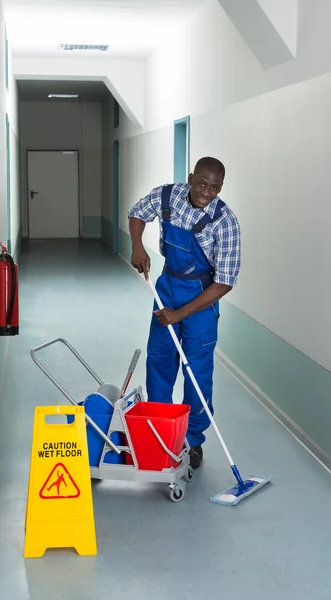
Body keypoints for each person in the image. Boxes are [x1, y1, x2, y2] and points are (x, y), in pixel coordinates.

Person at [128, 157, 241, 469]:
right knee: (160, 361)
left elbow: (224, 283)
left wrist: (180, 315)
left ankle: (192, 440)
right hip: (167, 287)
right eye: (202, 183)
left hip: (202, 298)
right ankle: (161, 431)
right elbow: (138, 213)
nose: (206, 192)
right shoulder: (168, 196)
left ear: (221, 188)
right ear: (192, 177)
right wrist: (137, 245)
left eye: (214, 188)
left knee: (197, 371)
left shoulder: (225, 223)